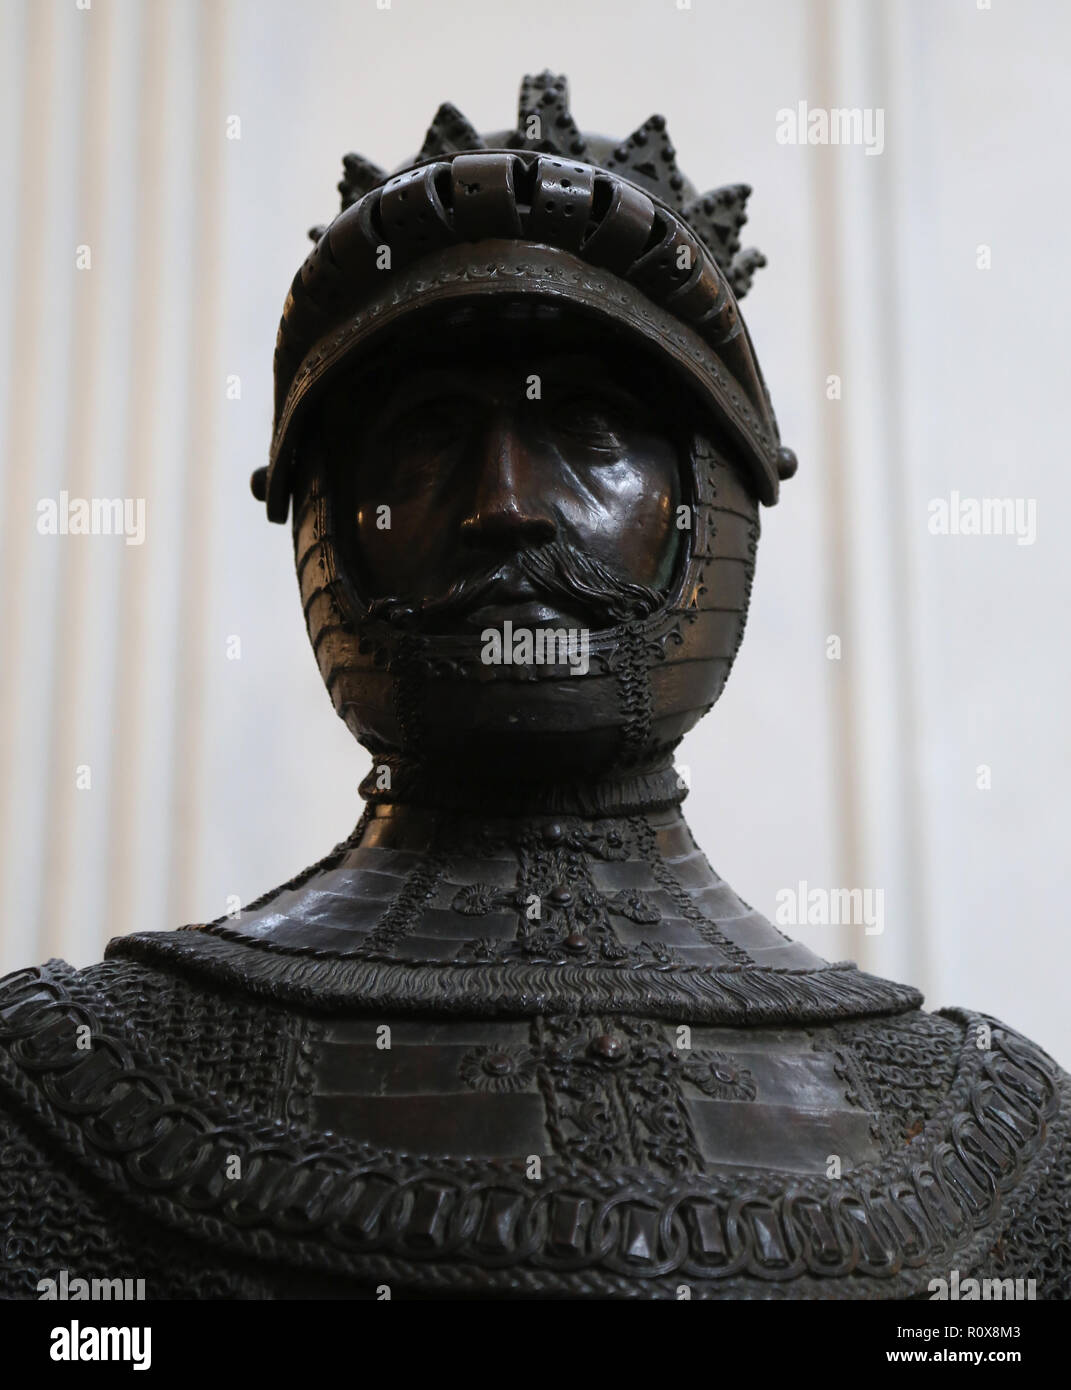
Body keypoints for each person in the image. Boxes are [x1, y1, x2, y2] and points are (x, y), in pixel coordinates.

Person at [1, 73, 1067, 1300]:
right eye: (426, 434)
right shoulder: (69, 1087)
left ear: (711, 497)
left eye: (595, 432)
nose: (505, 502)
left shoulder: (988, 1131)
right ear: (326, 513)